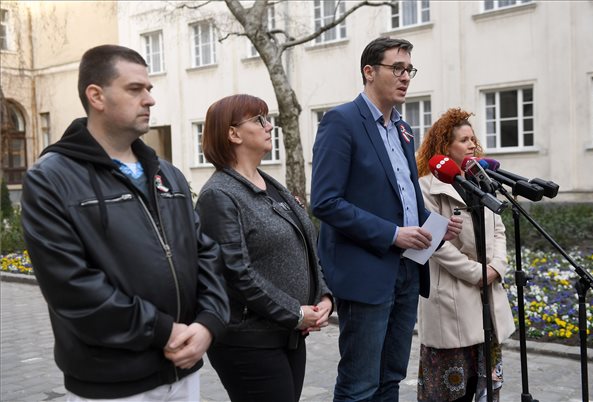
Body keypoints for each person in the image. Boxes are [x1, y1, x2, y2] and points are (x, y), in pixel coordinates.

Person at [20, 44, 229, 401]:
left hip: (185, 371)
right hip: (112, 383)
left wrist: (208, 323)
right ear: (96, 96)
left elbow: (205, 254)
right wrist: (162, 331)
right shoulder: (51, 179)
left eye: (149, 88)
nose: (150, 99)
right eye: (135, 89)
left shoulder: (168, 175)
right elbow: (70, 285)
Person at [311, 37, 463, 402]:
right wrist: (392, 234)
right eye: (397, 68)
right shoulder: (341, 121)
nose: (405, 77)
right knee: (360, 385)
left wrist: (436, 226)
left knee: (391, 377)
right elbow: (326, 202)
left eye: (409, 69)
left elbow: (404, 199)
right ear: (369, 71)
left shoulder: (403, 129)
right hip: (366, 273)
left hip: (407, 271)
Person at [195, 94, 333, 402]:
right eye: (259, 120)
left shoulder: (271, 185)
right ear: (233, 134)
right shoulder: (219, 195)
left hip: (288, 333)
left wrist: (323, 296)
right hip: (249, 340)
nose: (270, 126)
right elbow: (236, 273)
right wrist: (295, 312)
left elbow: (305, 245)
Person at [415, 108, 516, 402]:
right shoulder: (426, 187)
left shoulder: (481, 181)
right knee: (452, 394)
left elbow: (499, 229)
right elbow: (435, 245)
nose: (472, 144)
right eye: (463, 140)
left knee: (485, 392)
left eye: (472, 138)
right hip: (451, 300)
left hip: (487, 297)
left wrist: (497, 266)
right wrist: (477, 274)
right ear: (445, 147)